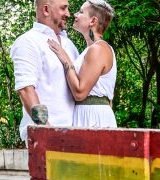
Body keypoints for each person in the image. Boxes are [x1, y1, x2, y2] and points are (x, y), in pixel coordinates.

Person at [10, 0, 79, 143]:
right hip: (46, 138)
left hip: (75, 135)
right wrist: (47, 133)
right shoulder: (28, 42)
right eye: (63, 8)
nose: (68, 13)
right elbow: (26, 90)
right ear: (46, 10)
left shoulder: (69, 45)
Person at [47, 0, 117, 128]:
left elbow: (80, 93)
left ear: (93, 21)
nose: (75, 14)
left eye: (81, 12)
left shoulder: (98, 49)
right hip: (85, 114)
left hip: (93, 117)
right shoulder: (89, 50)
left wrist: (66, 59)